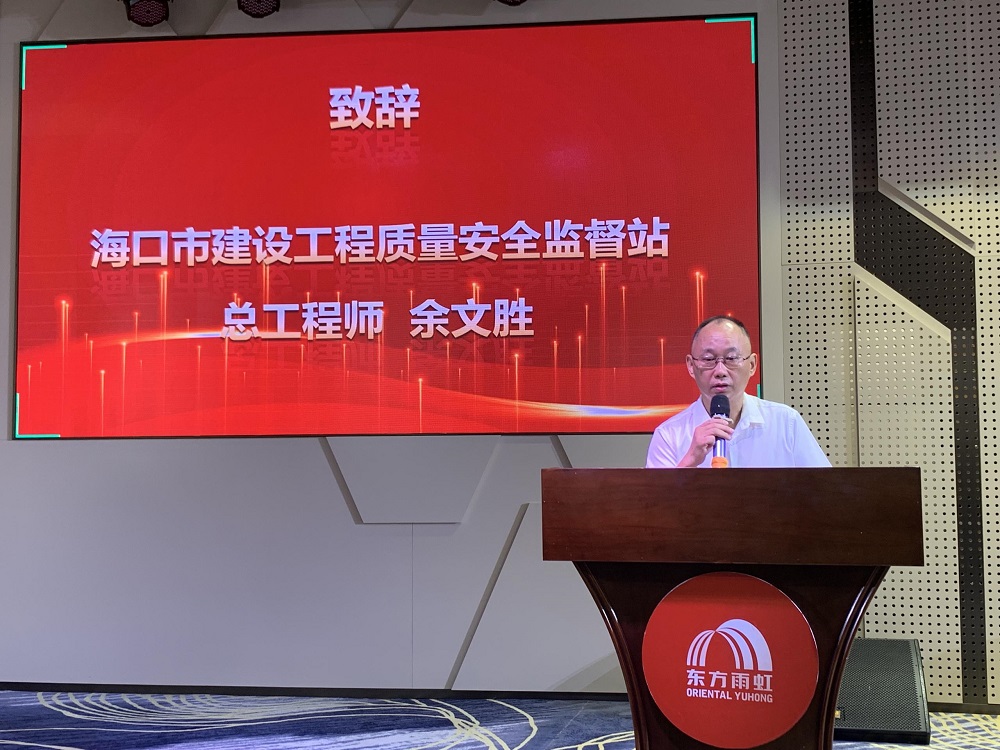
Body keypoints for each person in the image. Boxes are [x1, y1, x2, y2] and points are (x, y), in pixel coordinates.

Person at [646, 315, 831, 468]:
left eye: (731, 358)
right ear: (691, 366)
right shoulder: (669, 435)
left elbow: (826, 491)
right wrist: (690, 461)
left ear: (752, 365)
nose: (720, 371)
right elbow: (657, 503)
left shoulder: (786, 423)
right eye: (708, 359)